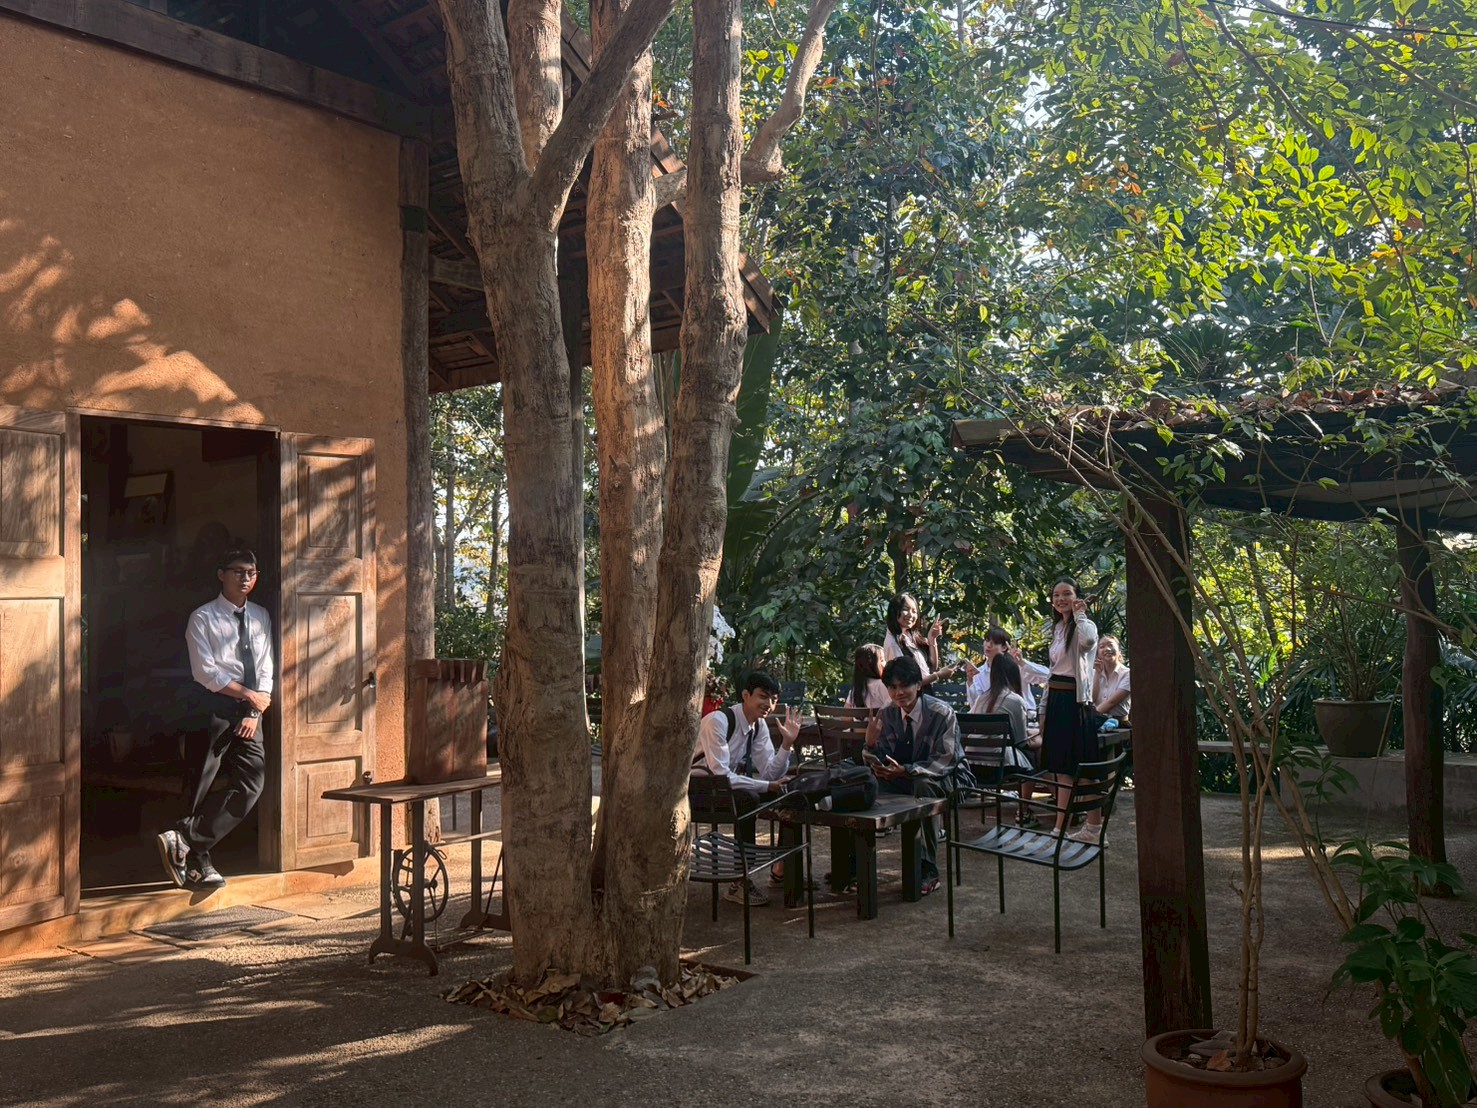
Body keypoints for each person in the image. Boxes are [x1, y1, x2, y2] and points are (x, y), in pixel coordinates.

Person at [156, 548, 273, 889]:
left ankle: (185, 838)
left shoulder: (261, 616)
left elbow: (266, 667)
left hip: (251, 711)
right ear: (221, 574)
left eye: (251, 572)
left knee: (252, 783)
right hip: (211, 706)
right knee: (199, 783)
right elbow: (205, 672)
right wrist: (247, 696)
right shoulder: (203, 618)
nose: (245, 578)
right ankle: (198, 864)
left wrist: (253, 709)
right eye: (237, 571)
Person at [691, 670, 802, 906]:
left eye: (773, 699)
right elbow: (721, 775)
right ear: (745, 695)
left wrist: (786, 744)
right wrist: (767, 785)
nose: (768, 704)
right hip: (698, 790)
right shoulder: (717, 721)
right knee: (748, 798)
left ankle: (785, 873)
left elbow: (770, 773)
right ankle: (740, 881)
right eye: (763, 696)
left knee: (791, 794)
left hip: (723, 789)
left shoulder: (758, 727)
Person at [863, 656, 968, 897]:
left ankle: (926, 868)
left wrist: (908, 770)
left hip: (949, 779)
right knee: (863, 782)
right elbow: (879, 756)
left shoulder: (942, 713)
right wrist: (871, 748)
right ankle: (853, 868)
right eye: (892, 687)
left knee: (923, 786)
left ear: (918, 685)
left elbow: (946, 760)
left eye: (905, 685)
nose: (899, 692)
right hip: (904, 776)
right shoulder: (886, 714)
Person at [1036, 577, 1101, 842]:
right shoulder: (1058, 628)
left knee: (1078, 770)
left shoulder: (1084, 625)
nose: (1060, 599)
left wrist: (1081, 614)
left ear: (1077, 597)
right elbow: (1053, 672)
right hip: (1057, 700)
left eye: (1066, 594)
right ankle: (1086, 828)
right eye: (1056, 595)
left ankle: (1077, 828)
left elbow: (1087, 643)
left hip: (1074, 703)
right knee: (1064, 769)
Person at [882, 593, 961, 689]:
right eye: (906, 609)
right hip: (912, 700)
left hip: (924, 694)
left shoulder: (909, 636)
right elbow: (905, 684)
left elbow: (931, 669)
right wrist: (938, 675)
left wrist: (932, 639)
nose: (911, 615)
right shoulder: (893, 643)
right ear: (894, 611)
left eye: (914, 611)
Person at [1092, 634, 1132, 724]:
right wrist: (1097, 675)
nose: (1107, 649)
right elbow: (1092, 699)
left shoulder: (1128, 674)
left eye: (1110, 645)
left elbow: (1112, 702)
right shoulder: (1093, 673)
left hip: (1119, 724)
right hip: (1096, 722)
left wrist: (1088, 718)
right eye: (1102, 646)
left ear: (1119, 650)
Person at [845, 643, 891, 710]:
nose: (885, 664)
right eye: (882, 660)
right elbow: (894, 710)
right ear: (871, 665)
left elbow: (845, 717)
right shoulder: (882, 685)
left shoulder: (856, 688)